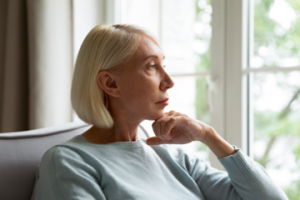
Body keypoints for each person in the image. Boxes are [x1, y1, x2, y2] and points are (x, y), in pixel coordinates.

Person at [34, 24, 288, 200]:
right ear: (110, 83)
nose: (168, 81)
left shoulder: (174, 158)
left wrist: (209, 136)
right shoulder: (68, 161)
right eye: (152, 66)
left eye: (163, 64)